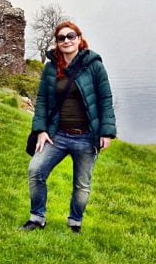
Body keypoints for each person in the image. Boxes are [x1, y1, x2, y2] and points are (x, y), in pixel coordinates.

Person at [22, 21, 116, 234]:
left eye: (70, 36)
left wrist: (107, 132)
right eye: (61, 38)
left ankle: (75, 222)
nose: (66, 41)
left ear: (79, 38)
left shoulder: (94, 65)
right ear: (57, 43)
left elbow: (105, 98)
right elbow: (43, 100)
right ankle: (37, 218)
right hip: (57, 135)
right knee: (35, 170)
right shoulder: (51, 67)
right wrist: (41, 130)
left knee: (82, 185)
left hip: (86, 137)